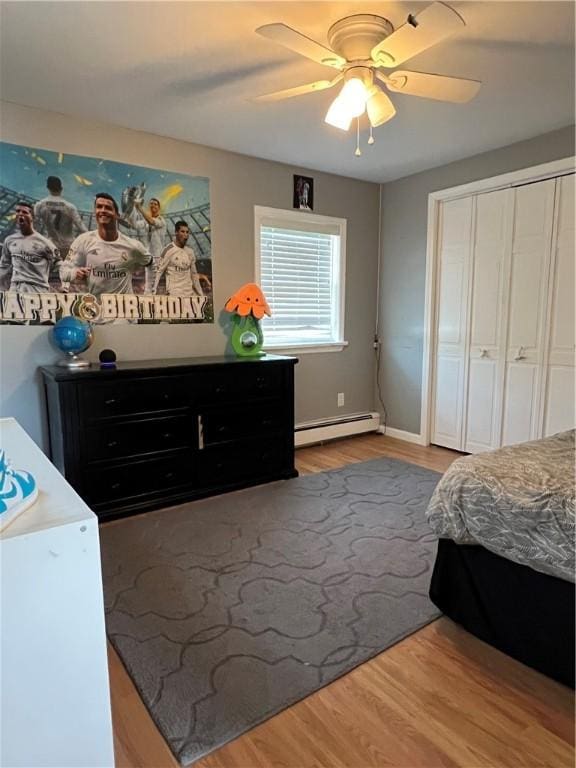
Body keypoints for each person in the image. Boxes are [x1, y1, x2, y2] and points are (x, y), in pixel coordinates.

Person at [60, 193, 151, 298]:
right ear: (95, 212)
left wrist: (149, 292)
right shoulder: (82, 241)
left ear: (117, 215)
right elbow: (63, 271)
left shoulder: (132, 245)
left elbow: (151, 263)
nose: (102, 210)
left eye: (108, 208)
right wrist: (75, 273)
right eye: (99, 207)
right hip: (97, 309)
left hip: (125, 310)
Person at [0, 201, 62, 293]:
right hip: (15, 288)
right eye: (18, 211)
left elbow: (59, 264)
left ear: (33, 217)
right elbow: (4, 265)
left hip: (37, 289)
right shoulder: (9, 240)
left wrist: (65, 285)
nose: (20, 214)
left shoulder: (45, 243)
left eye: (25, 212)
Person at [34, 176, 87, 258]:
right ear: (61, 188)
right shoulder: (70, 207)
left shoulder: (39, 205)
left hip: (51, 245)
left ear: (48, 188)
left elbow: (35, 228)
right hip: (69, 246)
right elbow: (82, 228)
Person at [153, 221, 204, 297]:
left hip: (189, 293)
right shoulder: (168, 250)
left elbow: (194, 275)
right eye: (182, 232)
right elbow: (159, 271)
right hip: (174, 294)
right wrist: (153, 292)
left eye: (187, 232)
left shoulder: (190, 252)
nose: (185, 235)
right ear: (176, 232)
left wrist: (201, 294)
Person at [133, 196, 167, 293]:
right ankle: (149, 304)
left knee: (151, 287)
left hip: (157, 256)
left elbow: (151, 221)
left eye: (155, 204)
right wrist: (134, 209)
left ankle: (150, 305)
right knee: (149, 286)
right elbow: (135, 224)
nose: (153, 205)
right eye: (151, 203)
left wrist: (139, 207)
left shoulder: (161, 220)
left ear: (158, 208)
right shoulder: (146, 221)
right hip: (149, 256)